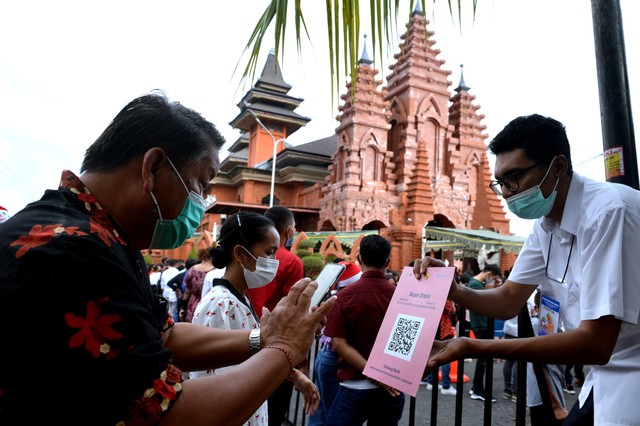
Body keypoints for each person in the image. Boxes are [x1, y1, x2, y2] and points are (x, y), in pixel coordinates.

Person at [0, 92, 334, 425]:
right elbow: (167, 414)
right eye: (200, 185)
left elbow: (165, 336)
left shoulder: (105, 237)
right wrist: (285, 349)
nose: (202, 203)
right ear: (153, 167)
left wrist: (263, 337)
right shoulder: (73, 252)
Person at [415, 114, 640, 425]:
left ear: (558, 167)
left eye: (514, 177)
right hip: (604, 377)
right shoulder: (545, 225)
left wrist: (471, 346)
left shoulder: (609, 212)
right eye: (500, 183)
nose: (506, 192)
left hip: (631, 373)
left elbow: (597, 343)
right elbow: (508, 299)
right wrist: (452, 288)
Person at [191, 212, 319, 424]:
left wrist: (293, 374)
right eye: (269, 253)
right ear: (240, 254)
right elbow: (222, 384)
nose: (274, 262)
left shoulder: (239, 298)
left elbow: (248, 360)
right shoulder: (221, 305)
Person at [324, 235, 405, 425]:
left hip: (354, 388)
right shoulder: (402, 297)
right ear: (388, 261)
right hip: (390, 388)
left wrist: (372, 373)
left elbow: (338, 344)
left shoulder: (345, 296)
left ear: (359, 259)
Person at [246, 205, 305, 426]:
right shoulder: (291, 261)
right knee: (274, 410)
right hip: (274, 345)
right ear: (289, 231)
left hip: (243, 337)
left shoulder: (250, 255)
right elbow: (293, 311)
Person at [308, 261, 362, 426]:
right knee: (333, 413)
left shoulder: (334, 298)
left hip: (323, 356)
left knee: (319, 412)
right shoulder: (348, 299)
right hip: (333, 360)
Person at [467, 264, 501, 403]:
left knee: (483, 358)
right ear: (489, 274)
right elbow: (484, 303)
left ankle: (476, 386)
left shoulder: (476, 283)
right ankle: (478, 390)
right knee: (484, 359)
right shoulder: (476, 284)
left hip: (481, 324)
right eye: (493, 277)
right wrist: (492, 290)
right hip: (481, 324)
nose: (492, 280)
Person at [424, 299, 457, 395]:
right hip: (443, 330)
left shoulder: (433, 294)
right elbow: (451, 310)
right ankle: (445, 385)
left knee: (433, 355)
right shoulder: (445, 297)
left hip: (433, 328)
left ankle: (431, 381)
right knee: (446, 356)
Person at [180, 248, 214, 323]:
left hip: (194, 303)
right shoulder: (216, 270)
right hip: (211, 303)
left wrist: (183, 307)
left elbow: (187, 292)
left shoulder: (192, 269)